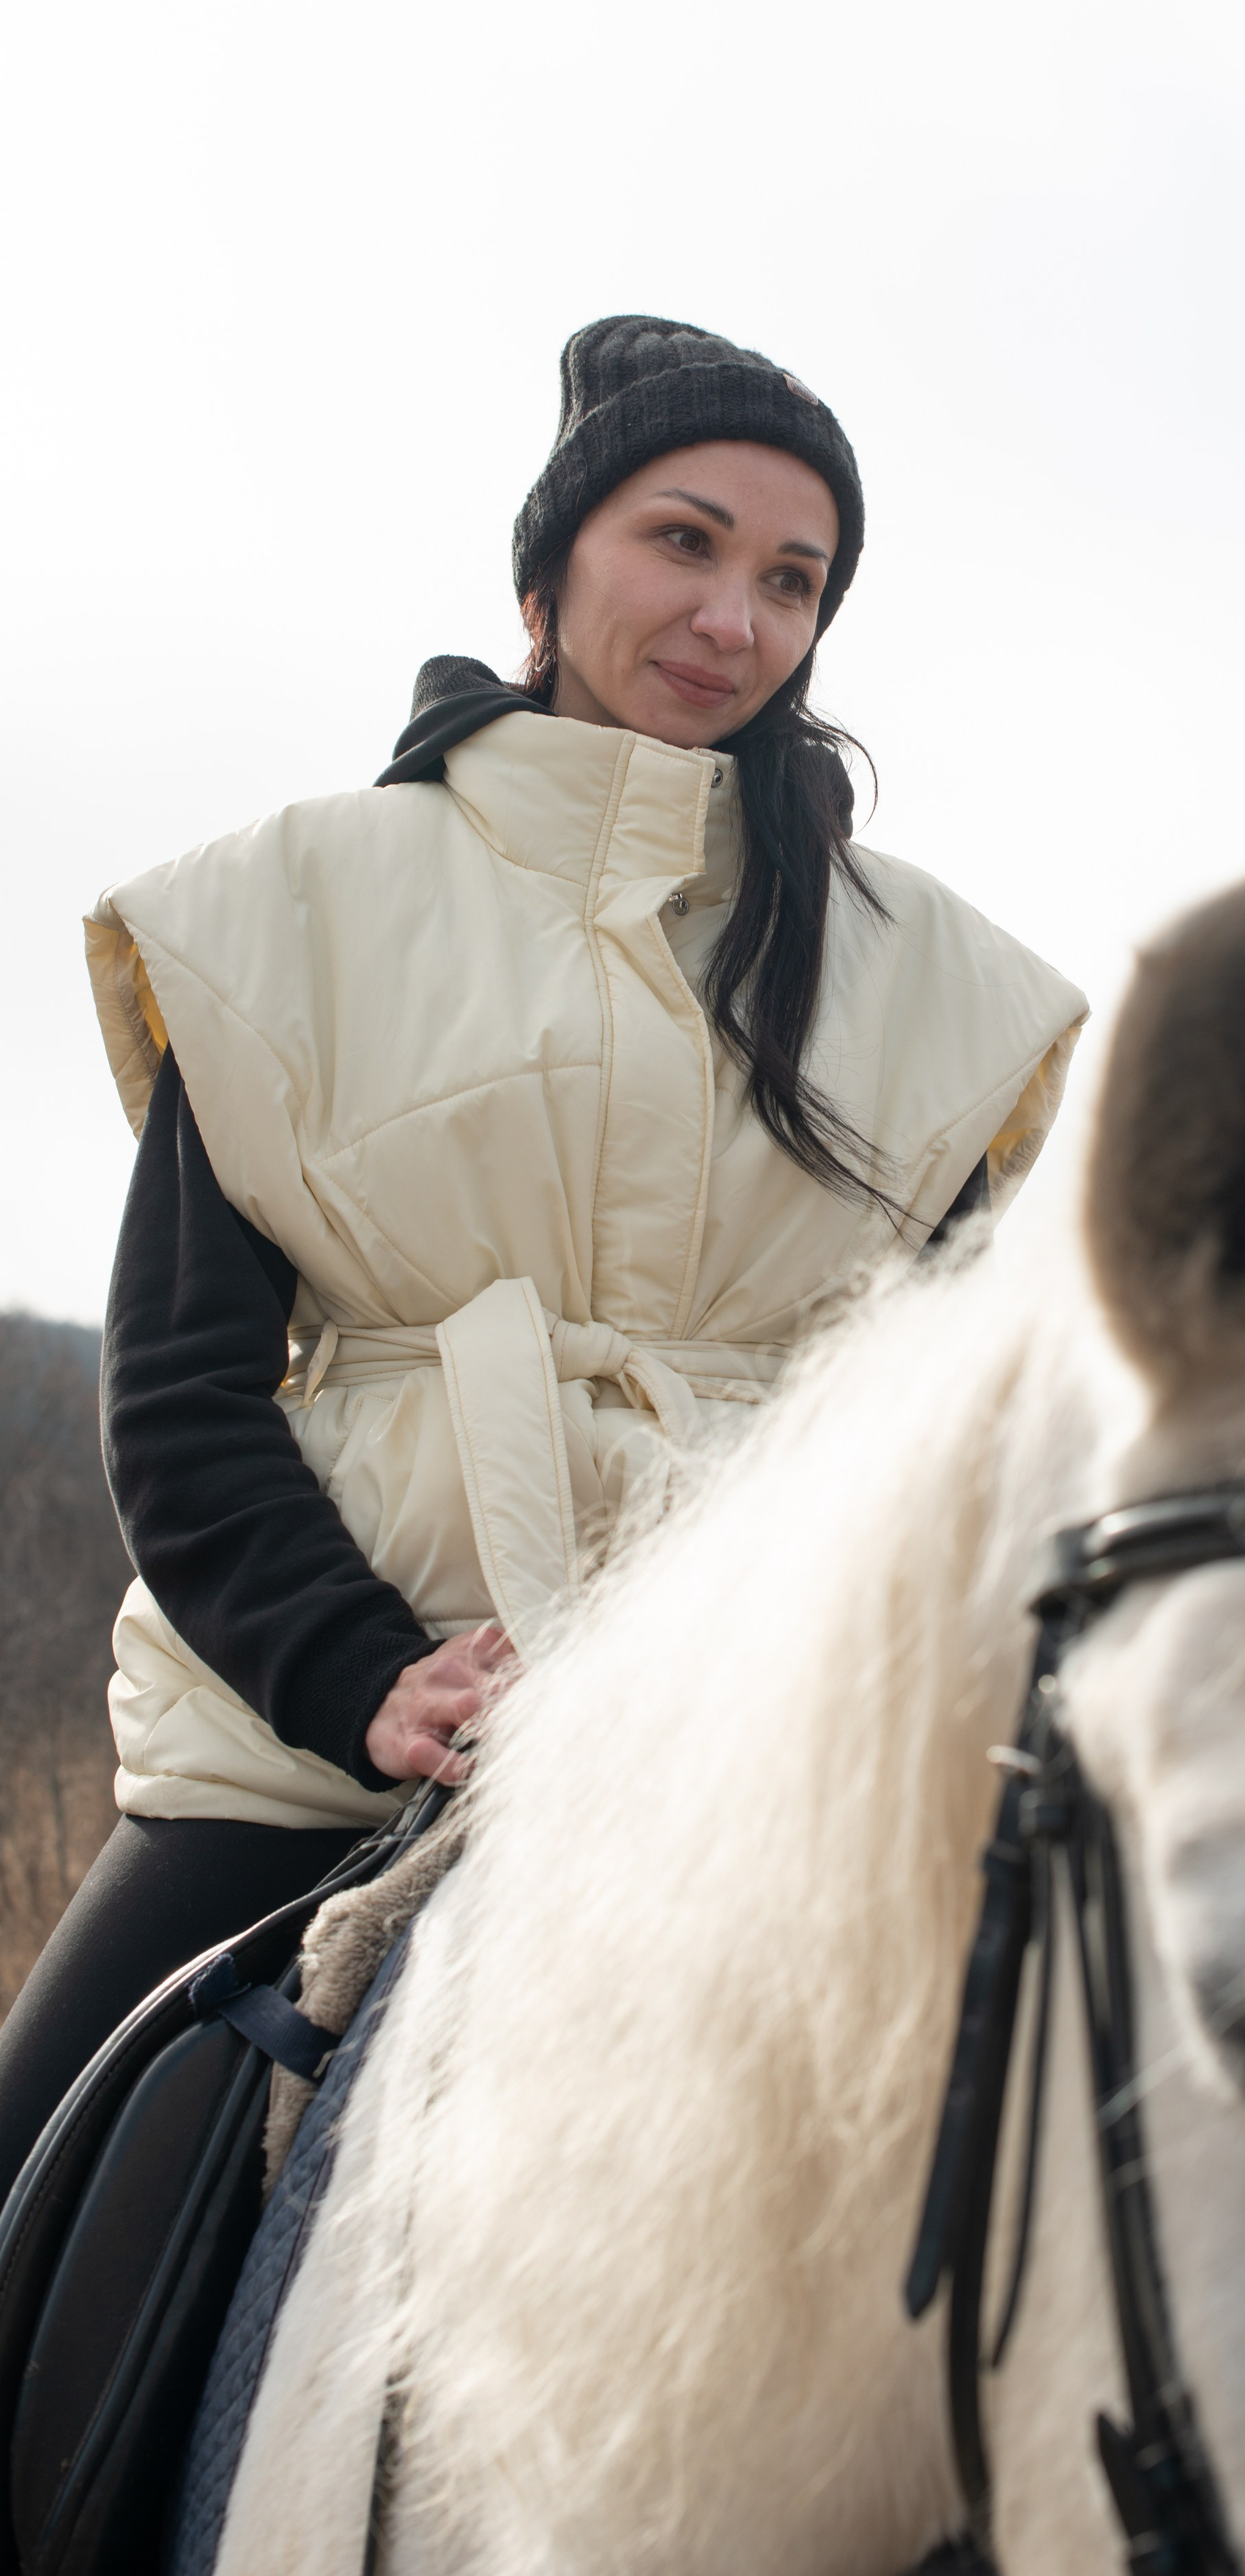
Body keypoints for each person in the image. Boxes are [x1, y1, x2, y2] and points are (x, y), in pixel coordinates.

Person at [0, 317, 1086, 2202]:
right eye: (684, 541)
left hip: (749, 1752)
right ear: (547, 565)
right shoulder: (292, 904)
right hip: (315, 1757)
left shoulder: (936, 987)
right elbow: (178, 1395)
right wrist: (366, 1678)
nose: (732, 617)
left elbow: (946, 1430)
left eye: (790, 580)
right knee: (26, 2193)